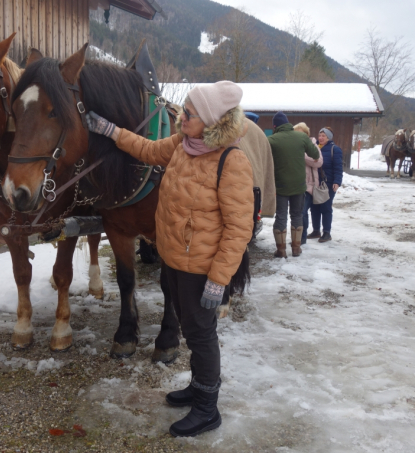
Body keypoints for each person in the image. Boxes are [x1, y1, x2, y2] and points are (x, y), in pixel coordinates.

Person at [85, 81, 254, 438]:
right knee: (191, 333)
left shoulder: (231, 160)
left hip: (202, 268)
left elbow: (239, 229)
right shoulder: (182, 144)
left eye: (189, 113)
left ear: (209, 121)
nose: (181, 117)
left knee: (201, 334)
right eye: (184, 110)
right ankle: (198, 388)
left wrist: (218, 279)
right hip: (174, 258)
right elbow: (146, 149)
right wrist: (111, 131)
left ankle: (208, 408)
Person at [267, 112, 320, 258]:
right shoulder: (302, 137)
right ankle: (296, 249)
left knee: (281, 217)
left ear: (275, 126)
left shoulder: (271, 140)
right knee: (297, 215)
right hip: (299, 185)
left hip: (280, 186)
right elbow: (315, 154)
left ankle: (281, 250)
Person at [307, 127, 343, 242]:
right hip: (315, 183)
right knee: (314, 207)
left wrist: (337, 182)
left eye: (323, 136)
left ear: (329, 137)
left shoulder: (334, 149)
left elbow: (338, 168)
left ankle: (327, 232)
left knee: (326, 208)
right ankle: (316, 230)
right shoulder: (313, 148)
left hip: (328, 183)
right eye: (320, 135)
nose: (321, 138)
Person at [293, 122, 323, 245]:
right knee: (296, 213)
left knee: (303, 212)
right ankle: (297, 237)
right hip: (295, 184)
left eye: (301, 134)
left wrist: (302, 156)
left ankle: (302, 238)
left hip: (309, 185)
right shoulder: (292, 146)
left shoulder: (312, 146)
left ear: (306, 135)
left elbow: (319, 162)